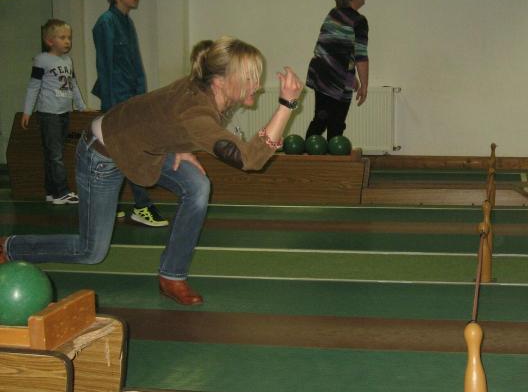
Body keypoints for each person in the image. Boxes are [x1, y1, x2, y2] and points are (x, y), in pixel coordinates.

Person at [2, 37, 303, 306]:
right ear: (220, 81)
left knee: (197, 186)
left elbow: (164, 114)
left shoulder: (203, 89)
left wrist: (180, 145)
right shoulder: (196, 110)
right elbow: (250, 159)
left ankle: (172, 276)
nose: (257, 85)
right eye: (249, 78)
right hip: (103, 153)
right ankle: (10, 246)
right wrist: (287, 104)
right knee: (90, 251)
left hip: (141, 149)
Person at [92, 0, 167, 227]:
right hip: (117, 102)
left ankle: (110, 204)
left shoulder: (127, 22)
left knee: (122, 153)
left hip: (132, 100)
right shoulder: (105, 23)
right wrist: (111, 107)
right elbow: (105, 67)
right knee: (130, 152)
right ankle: (141, 205)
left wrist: (142, 101)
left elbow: (136, 66)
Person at [21, 18, 87, 205]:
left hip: (64, 112)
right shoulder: (42, 60)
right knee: (55, 155)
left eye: (69, 38)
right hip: (49, 113)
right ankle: (61, 192)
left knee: (54, 153)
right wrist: (27, 111)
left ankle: (51, 191)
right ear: (50, 41)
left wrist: (81, 106)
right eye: (62, 37)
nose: (67, 41)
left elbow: (73, 85)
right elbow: (33, 86)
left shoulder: (68, 60)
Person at [305, 0, 369, 139]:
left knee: (321, 120)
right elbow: (361, 57)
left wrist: (350, 77)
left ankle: (308, 153)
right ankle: (323, 154)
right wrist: (364, 85)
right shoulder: (358, 21)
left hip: (322, 75)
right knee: (335, 123)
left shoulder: (333, 15)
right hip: (334, 78)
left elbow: (331, 49)